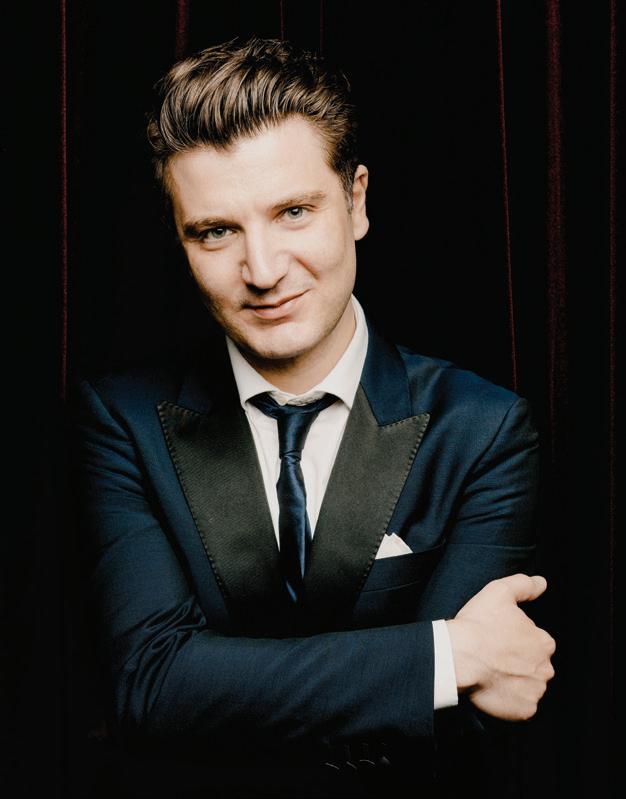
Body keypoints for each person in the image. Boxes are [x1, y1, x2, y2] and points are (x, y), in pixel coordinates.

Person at [71, 35, 555, 798]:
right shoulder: (120, 419)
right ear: (179, 237)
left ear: (356, 201)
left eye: (294, 212)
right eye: (215, 231)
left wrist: (215, 690)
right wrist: (445, 657)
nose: (263, 271)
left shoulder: (482, 428)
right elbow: (150, 686)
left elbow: (460, 733)